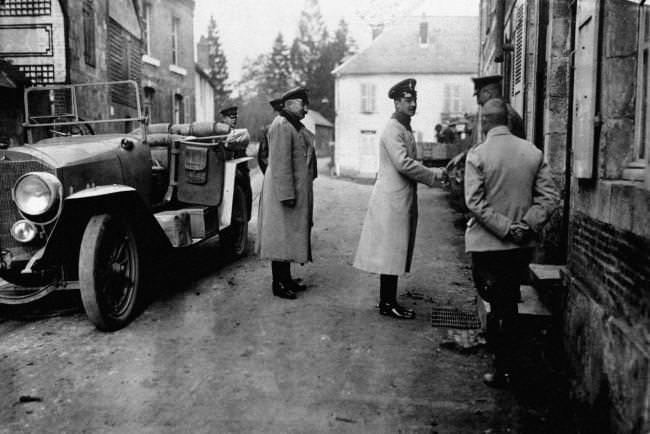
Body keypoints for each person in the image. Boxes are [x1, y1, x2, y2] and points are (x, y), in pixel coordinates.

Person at [464, 98, 558, 387]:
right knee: (508, 302)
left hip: (487, 246)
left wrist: (505, 228)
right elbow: (551, 197)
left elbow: (474, 202)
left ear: (486, 122)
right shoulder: (532, 152)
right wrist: (525, 226)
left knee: (497, 303)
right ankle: (507, 364)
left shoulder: (477, 155)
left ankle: (504, 368)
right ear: (508, 119)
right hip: (519, 248)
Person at [353, 78, 443, 319]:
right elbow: (403, 163)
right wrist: (432, 176)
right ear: (396, 102)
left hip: (400, 198)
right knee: (390, 252)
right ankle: (387, 304)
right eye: (407, 100)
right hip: (392, 200)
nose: (413, 104)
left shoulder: (403, 127)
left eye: (414, 99)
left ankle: (389, 301)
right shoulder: (393, 129)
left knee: (394, 250)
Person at [256, 87, 317, 300]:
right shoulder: (282, 125)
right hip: (283, 191)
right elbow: (281, 163)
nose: (306, 109)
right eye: (303, 104)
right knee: (279, 238)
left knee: (287, 236)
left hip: (290, 190)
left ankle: (286, 279)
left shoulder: (292, 125)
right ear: (290, 104)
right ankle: (278, 284)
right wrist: (287, 194)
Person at [471, 75, 525, 141]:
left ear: (488, 93)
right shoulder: (505, 111)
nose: (478, 102)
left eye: (478, 95)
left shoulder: (503, 115)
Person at [257, 97, 284, 174]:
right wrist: (269, 174)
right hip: (275, 173)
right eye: (279, 113)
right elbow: (262, 157)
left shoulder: (293, 128)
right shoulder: (268, 130)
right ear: (275, 113)